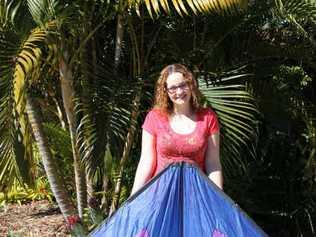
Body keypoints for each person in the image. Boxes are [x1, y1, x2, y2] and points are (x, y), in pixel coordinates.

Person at [131, 63, 223, 196]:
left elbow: (213, 164)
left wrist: (218, 197)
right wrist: (133, 197)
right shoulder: (154, 117)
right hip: (159, 196)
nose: (179, 92)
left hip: (197, 196)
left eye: (183, 85)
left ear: (190, 85)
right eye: (173, 88)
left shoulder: (208, 117)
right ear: (165, 91)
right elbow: (146, 162)